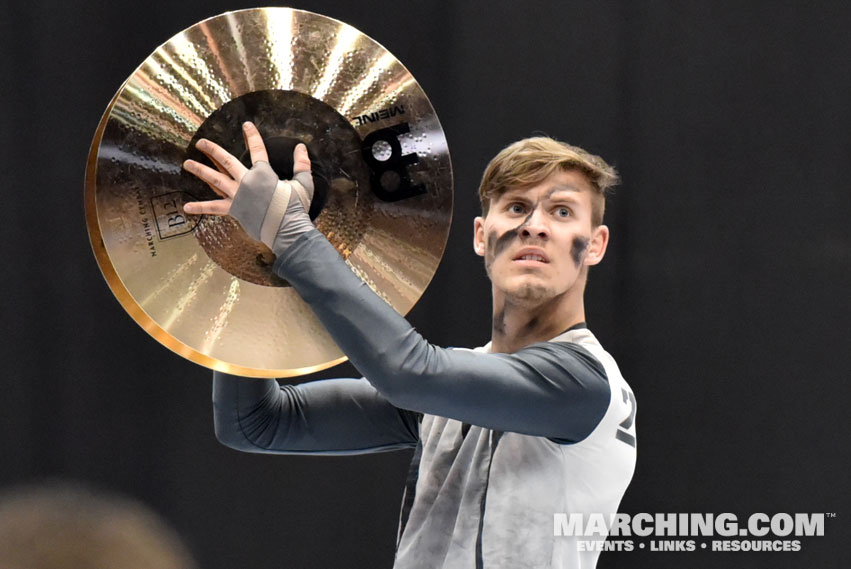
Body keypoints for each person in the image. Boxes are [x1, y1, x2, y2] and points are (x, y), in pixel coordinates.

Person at [182, 123, 637, 568]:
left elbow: (409, 372)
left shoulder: (583, 381)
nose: (535, 226)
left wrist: (290, 233)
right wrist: (251, 258)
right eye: (516, 207)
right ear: (481, 236)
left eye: (561, 212)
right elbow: (256, 423)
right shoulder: (449, 391)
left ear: (595, 245)